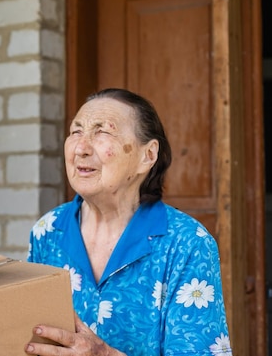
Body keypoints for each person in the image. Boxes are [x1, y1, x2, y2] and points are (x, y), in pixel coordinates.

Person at [24, 88, 232, 356]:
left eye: (102, 132)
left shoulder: (187, 243)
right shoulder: (47, 231)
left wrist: (105, 355)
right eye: (76, 132)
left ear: (148, 156)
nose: (81, 148)